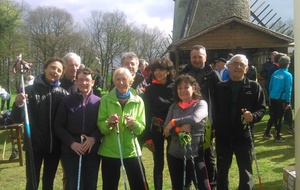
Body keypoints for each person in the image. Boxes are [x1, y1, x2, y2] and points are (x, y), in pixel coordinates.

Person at [11, 57, 69, 190]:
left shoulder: (63, 94)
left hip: (53, 146)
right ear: (45, 68)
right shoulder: (29, 91)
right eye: (53, 67)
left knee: (49, 182)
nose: (55, 71)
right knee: (32, 182)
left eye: (59, 70)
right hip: (33, 145)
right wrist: (19, 104)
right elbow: (16, 119)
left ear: (61, 74)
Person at [213, 54, 266, 190]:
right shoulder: (220, 87)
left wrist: (253, 116)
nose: (238, 67)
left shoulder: (254, 87)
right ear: (228, 67)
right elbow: (215, 110)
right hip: (223, 137)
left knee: (246, 171)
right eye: (235, 64)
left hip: (244, 136)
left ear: (246, 69)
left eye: (241, 65)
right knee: (222, 171)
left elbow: (261, 109)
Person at [97, 67, 148, 190]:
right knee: (109, 186)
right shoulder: (105, 100)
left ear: (130, 81)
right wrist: (108, 123)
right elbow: (101, 126)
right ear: (114, 81)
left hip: (132, 151)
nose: (121, 83)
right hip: (110, 151)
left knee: (139, 185)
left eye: (124, 79)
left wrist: (134, 124)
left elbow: (141, 128)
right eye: (117, 79)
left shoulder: (138, 101)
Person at [179, 45, 220, 189]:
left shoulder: (213, 74)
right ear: (190, 58)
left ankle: (212, 183)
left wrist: (215, 120)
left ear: (205, 57)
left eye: (200, 56)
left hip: (207, 119)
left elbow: (219, 97)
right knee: (189, 150)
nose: (197, 60)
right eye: (194, 57)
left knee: (207, 152)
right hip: (187, 116)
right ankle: (188, 181)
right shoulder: (184, 73)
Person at [54, 67, 102, 189]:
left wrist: (94, 138)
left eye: (87, 80)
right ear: (76, 81)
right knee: (73, 184)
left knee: (90, 184)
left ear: (92, 82)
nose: (84, 83)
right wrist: (71, 143)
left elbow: (103, 124)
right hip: (71, 150)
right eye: (80, 80)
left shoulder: (99, 102)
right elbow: (58, 125)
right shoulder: (67, 100)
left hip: (92, 150)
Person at [163, 74, 210, 190]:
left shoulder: (201, 104)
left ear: (193, 88)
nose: (182, 90)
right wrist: (179, 129)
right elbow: (166, 130)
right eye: (179, 88)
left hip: (195, 154)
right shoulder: (174, 107)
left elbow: (195, 118)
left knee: (203, 186)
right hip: (174, 155)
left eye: (186, 87)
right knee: (179, 187)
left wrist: (174, 122)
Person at [143, 57, 175, 190]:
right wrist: (147, 137)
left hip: (174, 128)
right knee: (158, 162)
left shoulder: (176, 86)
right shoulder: (150, 90)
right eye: (155, 70)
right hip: (156, 128)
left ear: (168, 71)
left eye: (161, 70)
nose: (158, 73)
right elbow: (146, 113)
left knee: (174, 161)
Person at [263, 55, 293, 142]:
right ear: (288, 64)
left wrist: (269, 97)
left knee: (273, 116)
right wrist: (288, 101)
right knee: (279, 117)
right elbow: (288, 89)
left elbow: (270, 86)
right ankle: (278, 136)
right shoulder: (288, 75)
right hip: (281, 99)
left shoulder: (275, 73)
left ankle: (267, 132)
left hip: (272, 97)